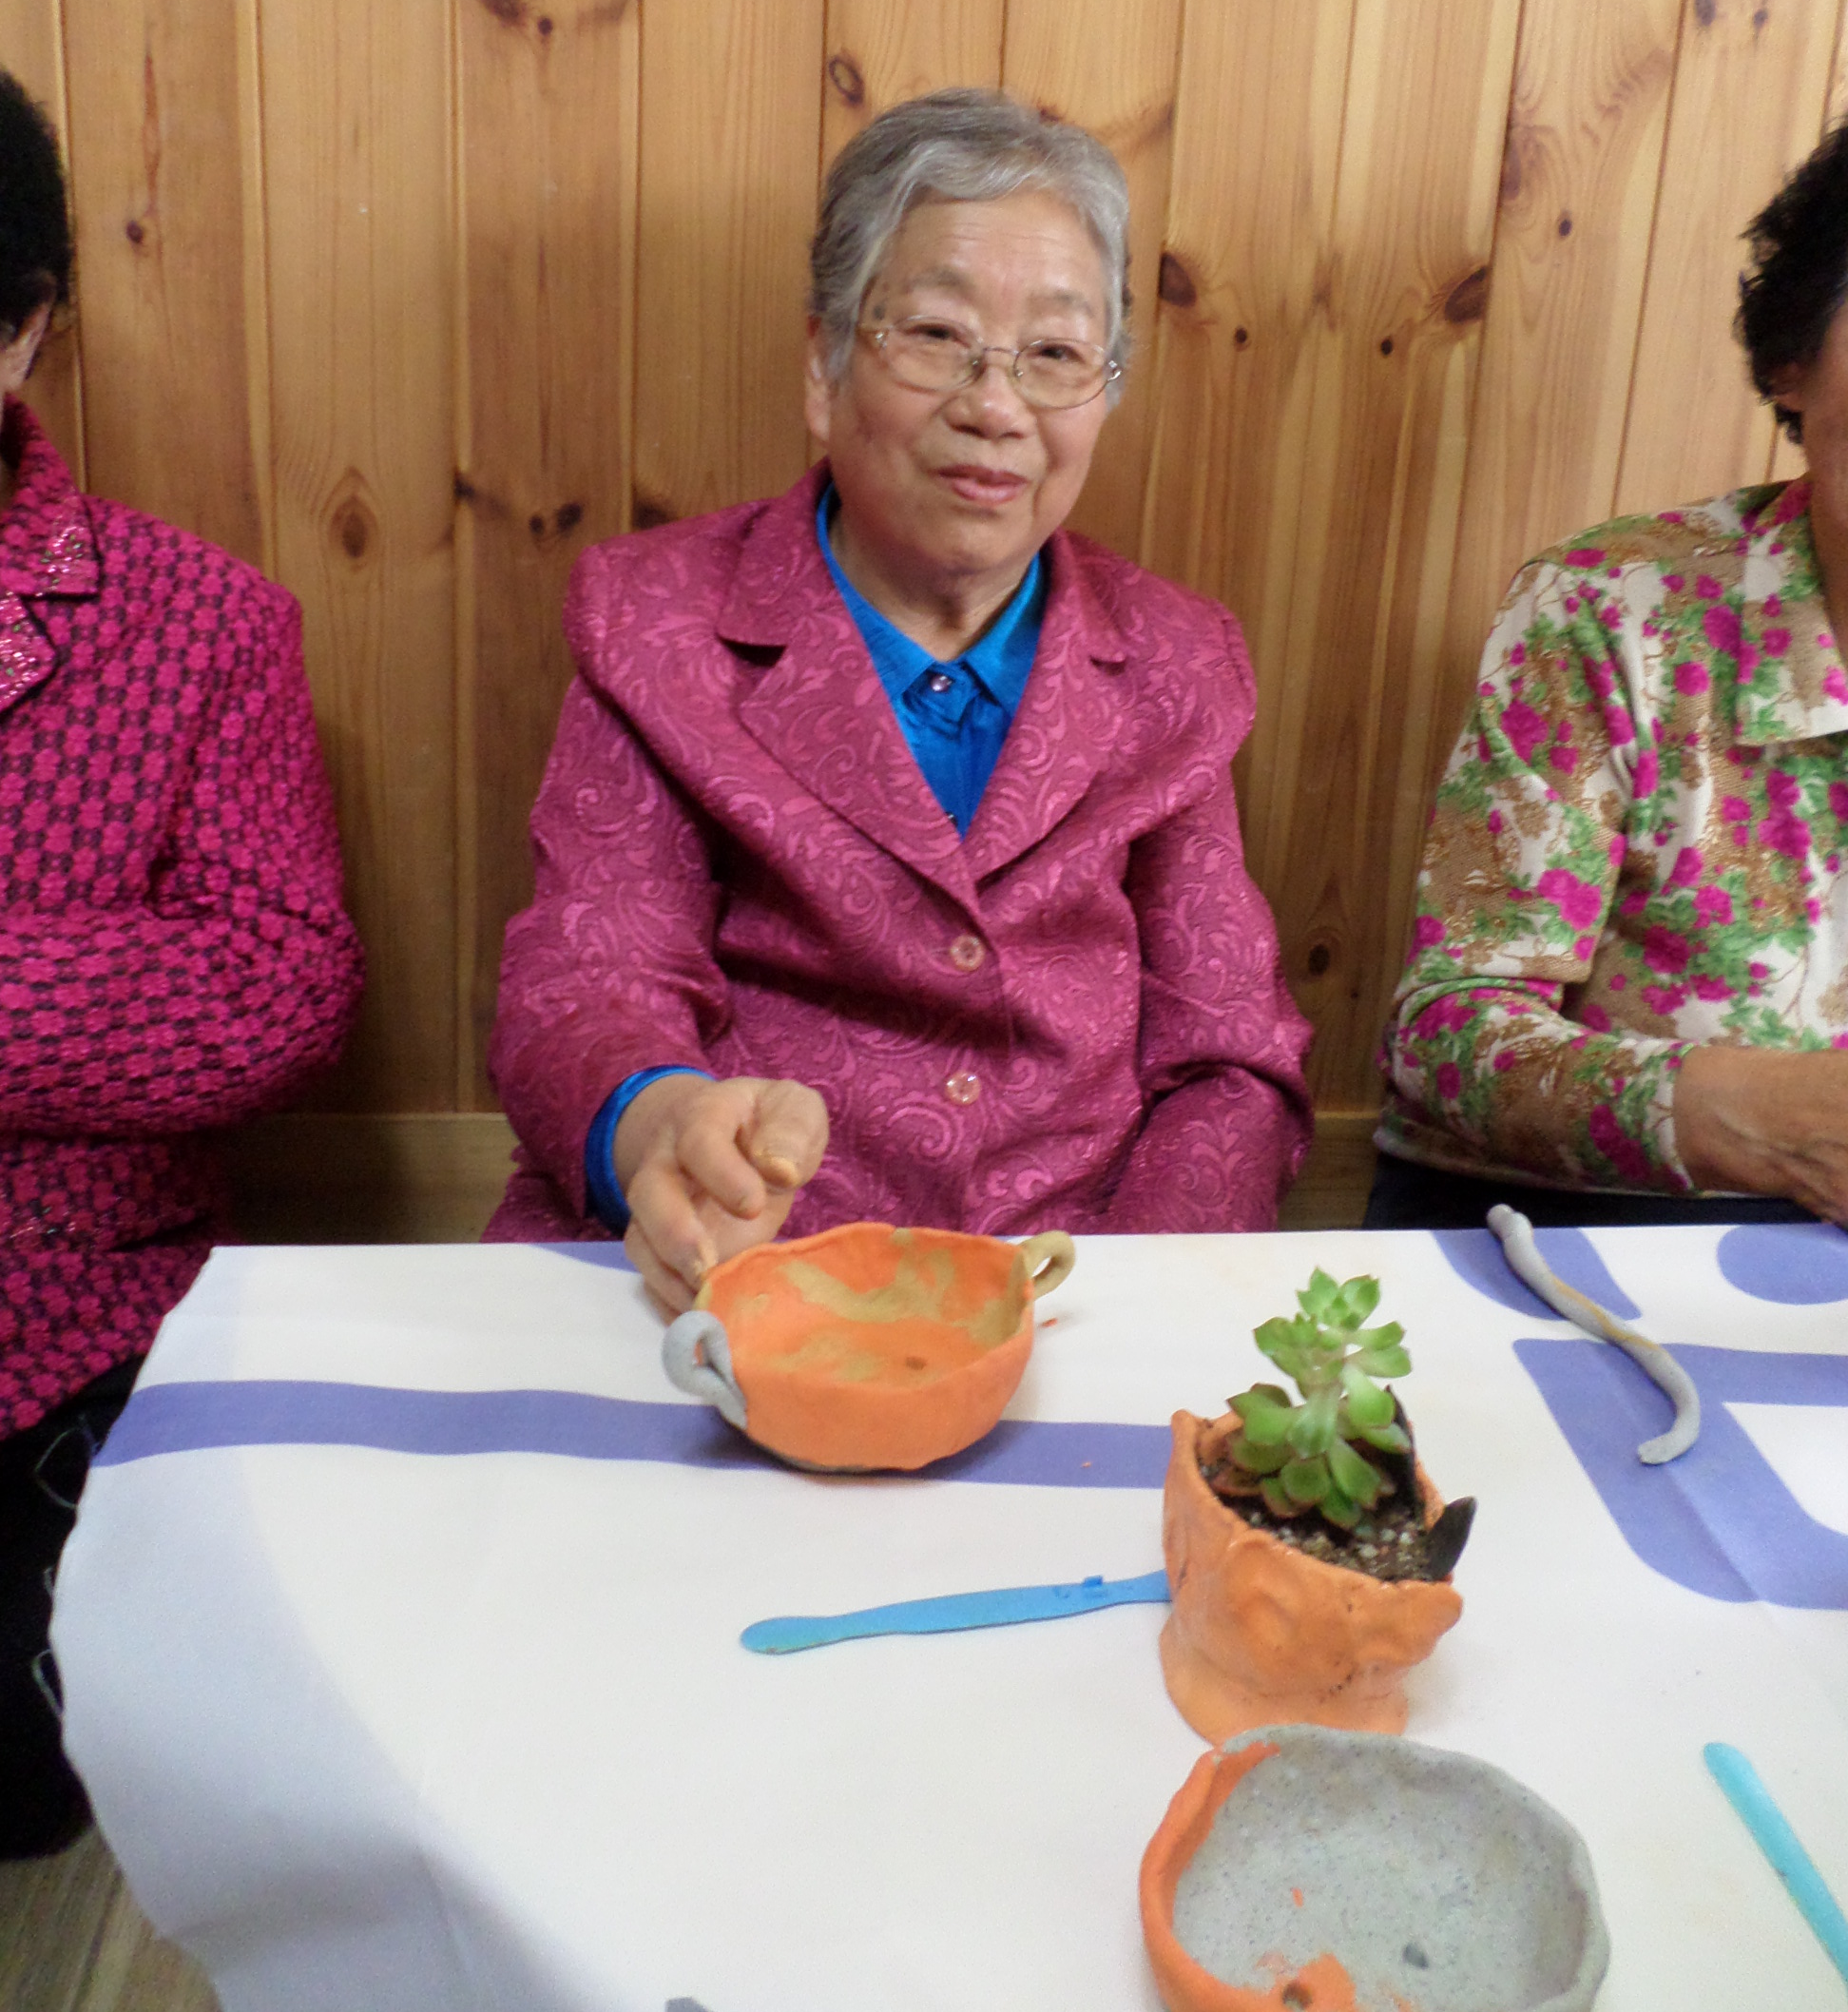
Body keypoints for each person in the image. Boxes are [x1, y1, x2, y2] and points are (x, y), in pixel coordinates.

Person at [487, 88, 1311, 1306]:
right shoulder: (656, 624)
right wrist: (660, 1128)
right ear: (825, 366)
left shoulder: (1176, 663)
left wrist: (1128, 1300)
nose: (996, 407)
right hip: (735, 1267)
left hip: (1067, 1288)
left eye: (1054, 355)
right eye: (935, 334)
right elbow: (589, 977)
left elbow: (1229, 1057)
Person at [0, 68, 364, 1856]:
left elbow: (278, 983)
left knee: (40, 1787)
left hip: (54, 1332)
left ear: (22, 332)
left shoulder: (200, 627)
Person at [1373, 119, 1848, 1229]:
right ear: (1794, 358)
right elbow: (1446, 1036)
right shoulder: (1614, 611)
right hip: (1575, 1234)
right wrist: (1740, 1115)